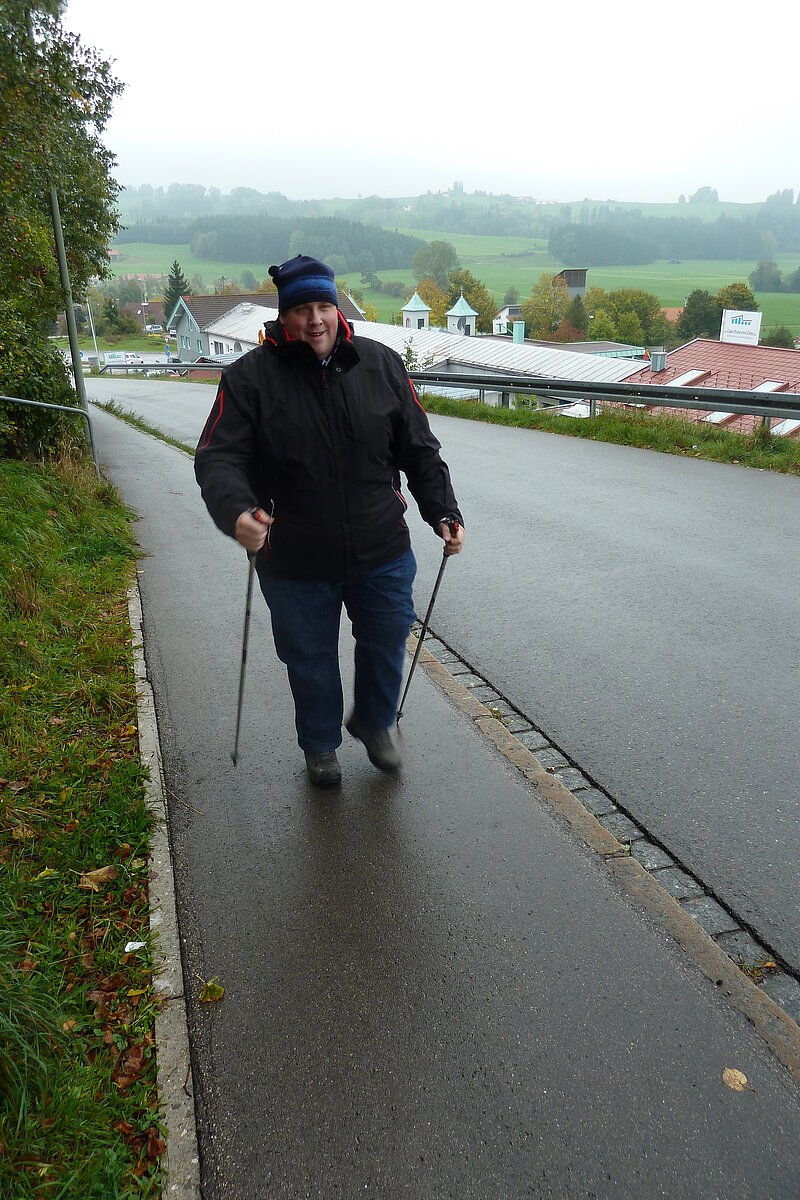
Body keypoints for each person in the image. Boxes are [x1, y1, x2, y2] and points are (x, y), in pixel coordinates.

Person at [195, 254, 464, 786]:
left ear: (337, 308)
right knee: (309, 657)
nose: (315, 320)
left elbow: (419, 448)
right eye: (302, 309)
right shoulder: (248, 379)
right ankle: (320, 745)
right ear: (284, 315)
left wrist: (443, 509)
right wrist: (237, 513)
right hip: (292, 557)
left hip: (380, 546)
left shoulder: (381, 365)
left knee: (388, 638)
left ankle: (375, 721)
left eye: (323, 306)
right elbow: (217, 458)